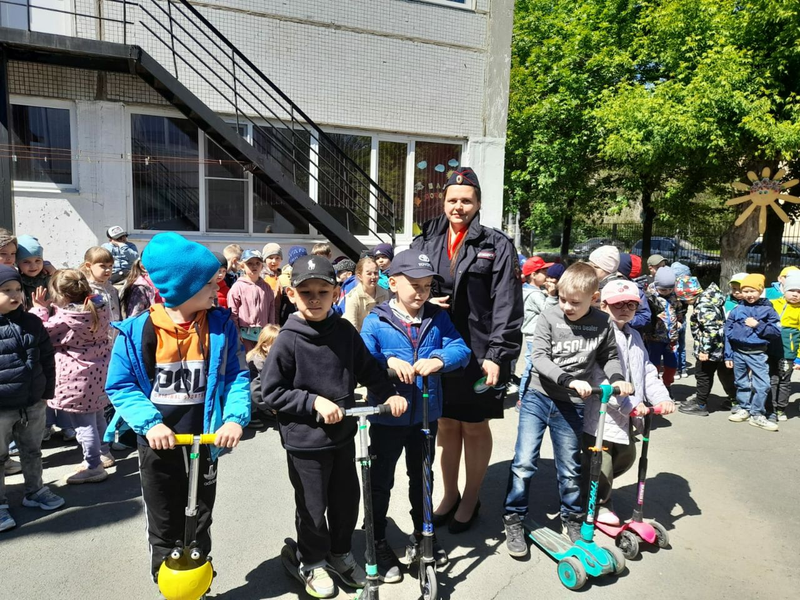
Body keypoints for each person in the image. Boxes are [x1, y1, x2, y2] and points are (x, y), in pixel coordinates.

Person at [105, 232, 250, 582]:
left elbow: (236, 376)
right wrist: (150, 424)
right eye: (209, 282)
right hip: (158, 442)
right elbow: (121, 385)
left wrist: (234, 419)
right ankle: (165, 577)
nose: (217, 286)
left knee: (201, 515)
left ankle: (200, 576)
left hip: (205, 439)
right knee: (164, 516)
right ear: (184, 287)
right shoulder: (137, 331)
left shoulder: (220, 326)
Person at [260, 255, 406, 599]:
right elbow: (272, 391)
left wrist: (389, 393)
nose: (314, 299)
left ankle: (340, 552)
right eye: (306, 292)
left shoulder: (343, 332)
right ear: (292, 295)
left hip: (342, 435)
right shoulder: (288, 338)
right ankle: (311, 560)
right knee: (312, 507)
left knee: (346, 500)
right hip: (305, 441)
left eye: (322, 292)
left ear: (336, 293)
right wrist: (313, 402)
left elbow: (367, 368)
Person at [411, 167, 523, 533]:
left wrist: (498, 355)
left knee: (474, 426)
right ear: (443, 202)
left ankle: (471, 498)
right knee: (445, 424)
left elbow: (507, 303)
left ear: (478, 204)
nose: (458, 206)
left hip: (480, 353)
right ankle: (450, 494)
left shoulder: (496, 244)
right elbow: (404, 282)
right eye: (452, 200)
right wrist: (424, 301)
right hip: (438, 349)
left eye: (466, 200)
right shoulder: (426, 241)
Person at [502, 262, 632, 557]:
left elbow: (609, 355)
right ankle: (513, 517)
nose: (567, 306)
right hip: (539, 397)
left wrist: (617, 379)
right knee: (524, 462)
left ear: (594, 298)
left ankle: (572, 518)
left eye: (575, 302)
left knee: (570, 467)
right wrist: (569, 380)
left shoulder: (602, 322)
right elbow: (539, 357)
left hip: (572, 404)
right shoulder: (549, 316)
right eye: (562, 299)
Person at [359, 250, 471, 582]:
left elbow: (460, 349)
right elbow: (363, 357)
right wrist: (388, 362)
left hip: (426, 415)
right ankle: (377, 539)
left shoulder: (437, 317)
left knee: (422, 477)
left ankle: (424, 535)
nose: (421, 293)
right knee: (380, 481)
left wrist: (439, 360)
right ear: (393, 283)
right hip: (386, 416)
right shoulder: (376, 319)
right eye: (414, 285)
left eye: (426, 286)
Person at [583, 279, 675, 525]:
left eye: (631, 305)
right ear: (603, 305)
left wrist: (662, 398)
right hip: (601, 414)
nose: (625, 309)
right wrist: (629, 405)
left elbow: (647, 371)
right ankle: (598, 503)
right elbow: (600, 377)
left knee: (627, 456)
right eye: (618, 304)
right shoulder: (599, 333)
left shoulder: (634, 336)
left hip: (629, 415)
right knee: (601, 462)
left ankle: (587, 487)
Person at [31, 269, 113, 484]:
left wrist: (40, 309)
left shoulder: (66, 320)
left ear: (61, 295)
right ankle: (104, 453)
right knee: (97, 416)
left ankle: (93, 466)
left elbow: (40, 332)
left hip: (77, 379)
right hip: (99, 374)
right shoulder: (99, 307)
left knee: (83, 425)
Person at [0, 265, 61, 533]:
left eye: (17, 289)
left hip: (33, 403)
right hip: (2, 408)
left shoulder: (32, 322)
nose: (15, 295)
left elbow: (47, 358)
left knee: (32, 451)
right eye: (6, 290)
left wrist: (46, 392)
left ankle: (35, 491)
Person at [725, 274, 781, 431]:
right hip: (738, 352)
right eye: (746, 291)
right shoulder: (737, 309)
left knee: (762, 384)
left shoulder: (768, 310)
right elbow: (727, 333)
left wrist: (757, 325)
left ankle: (757, 414)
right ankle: (744, 408)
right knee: (741, 382)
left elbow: (776, 332)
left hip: (757, 353)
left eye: (752, 291)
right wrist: (728, 355)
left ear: (760, 291)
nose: (749, 295)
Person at [680, 280, 737, 416]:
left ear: (689, 295)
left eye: (682, 298)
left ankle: (700, 404)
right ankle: (735, 400)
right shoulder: (711, 299)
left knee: (703, 374)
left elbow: (710, 329)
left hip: (711, 348)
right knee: (725, 374)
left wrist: (705, 350)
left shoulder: (703, 305)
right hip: (720, 345)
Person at [518, 256, 555, 402]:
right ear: (533, 275)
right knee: (531, 366)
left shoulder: (529, 290)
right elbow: (548, 312)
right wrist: (551, 295)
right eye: (544, 272)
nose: (547, 276)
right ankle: (522, 398)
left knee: (532, 364)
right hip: (535, 335)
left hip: (532, 335)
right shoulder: (534, 294)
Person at [227, 250, 276, 352]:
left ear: (262, 266)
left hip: (263, 334)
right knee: (248, 359)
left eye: (258, 263)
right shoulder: (238, 287)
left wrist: (271, 330)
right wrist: (236, 332)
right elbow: (233, 312)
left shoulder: (266, 287)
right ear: (242, 266)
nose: (254, 266)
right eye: (250, 263)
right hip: (244, 334)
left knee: (262, 359)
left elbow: (271, 309)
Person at [768, 270, 800, 422]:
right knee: (771, 379)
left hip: (788, 352)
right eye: (792, 290)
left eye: (799, 292)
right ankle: (770, 407)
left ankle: (780, 409)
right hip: (770, 350)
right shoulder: (773, 303)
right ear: (784, 290)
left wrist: (799, 358)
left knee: (784, 381)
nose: (795, 294)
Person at [643, 267, 682, 389]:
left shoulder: (674, 296)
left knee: (672, 364)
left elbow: (679, 309)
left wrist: (679, 320)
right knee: (654, 363)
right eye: (663, 289)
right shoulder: (650, 296)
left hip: (671, 336)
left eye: (670, 289)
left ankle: (667, 384)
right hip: (654, 337)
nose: (667, 292)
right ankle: (653, 385)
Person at [343, 256, 390, 332]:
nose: (373, 276)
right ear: (360, 276)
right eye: (369, 273)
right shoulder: (353, 297)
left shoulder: (384, 294)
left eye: (375, 273)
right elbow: (352, 328)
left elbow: (386, 321)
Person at [246, 324, 280, 429]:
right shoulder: (257, 363)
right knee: (250, 391)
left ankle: (264, 409)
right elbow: (255, 390)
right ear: (264, 346)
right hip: (251, 394)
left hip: (263, 393)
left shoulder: (272, 358)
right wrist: (271, 405)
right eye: (276, 346)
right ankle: (251, 414)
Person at [82, 246, 122, 329]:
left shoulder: (112, 289)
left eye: (110, 266)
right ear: (88, 266)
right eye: (103, 266)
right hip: (96, 334)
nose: (108, 270)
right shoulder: (86, 290)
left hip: (114, 333)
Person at [671, 262, 693, 378]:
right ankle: (682, 369)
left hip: (675, 319)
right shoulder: (687, 287)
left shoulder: (672, 289)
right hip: (681, 318)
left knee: (675, 345)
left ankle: (677, 369)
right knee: (681, 345)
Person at [16, 235, 49, 310]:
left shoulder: (49, 277)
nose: (33, 266)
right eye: (26, 262)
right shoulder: (15, 281)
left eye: (37, 260)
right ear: (17, 263)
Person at [262, 243, 284, 323]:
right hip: (266, 314)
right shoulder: (262, 276)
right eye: (271, 258)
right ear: (265, 259)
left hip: (280, 313)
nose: (274, 261)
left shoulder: (282, 275)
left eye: (277, 258)